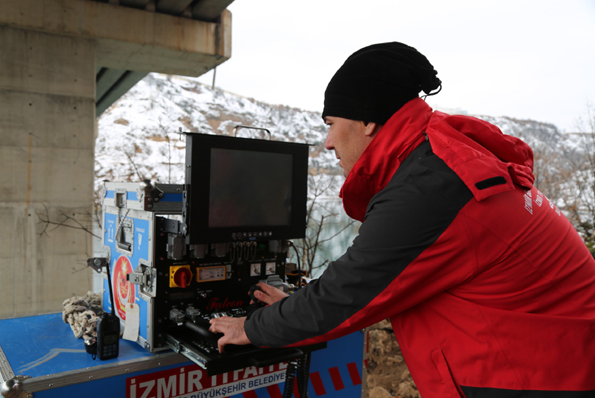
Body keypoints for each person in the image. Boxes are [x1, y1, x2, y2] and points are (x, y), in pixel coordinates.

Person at [210, 42, 595, 397]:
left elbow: (346, 294)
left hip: (543, 373)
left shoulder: (429, 185)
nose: (327, 141)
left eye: (330, 123)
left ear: (367, 121)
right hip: (555, 353)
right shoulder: (439, 157)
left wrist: (251, 326)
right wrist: (290, 309)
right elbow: (366, 280)